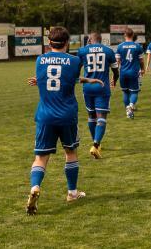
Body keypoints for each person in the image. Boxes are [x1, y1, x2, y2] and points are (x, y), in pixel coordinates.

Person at [25, 26, 105, 214]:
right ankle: (72, 192)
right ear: (67, 43)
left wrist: (40, 79)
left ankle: (35, 187)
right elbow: (70, 78)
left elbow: (52, 76)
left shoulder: (40, 60)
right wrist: (91, 80)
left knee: (41, 157)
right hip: (67, 115)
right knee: (70, 153)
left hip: (45, 116)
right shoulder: (75, 61)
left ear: (49, 42)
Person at [77, 32, 119, 159]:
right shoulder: (108, 51)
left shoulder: (82, 51)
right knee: (101, 117)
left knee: (91, 116)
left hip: (88, 87)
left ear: (90, 40)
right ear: (101, 40)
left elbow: (75, 71)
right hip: (102, 87)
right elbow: (116, 71)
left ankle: (96, 143)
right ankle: (95, 144)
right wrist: (114, 81)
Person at [115, 28, 145, 119]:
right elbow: (141, 60)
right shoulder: (138, 46)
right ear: (132, 35)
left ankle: (128, 111)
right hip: (133, 72)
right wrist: (143, 69)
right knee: (134, 91)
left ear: (124, 35)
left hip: (123, 72)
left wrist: (114, 74)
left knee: (125, 91)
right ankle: (131, 106)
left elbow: (118, 61)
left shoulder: (120, 46)